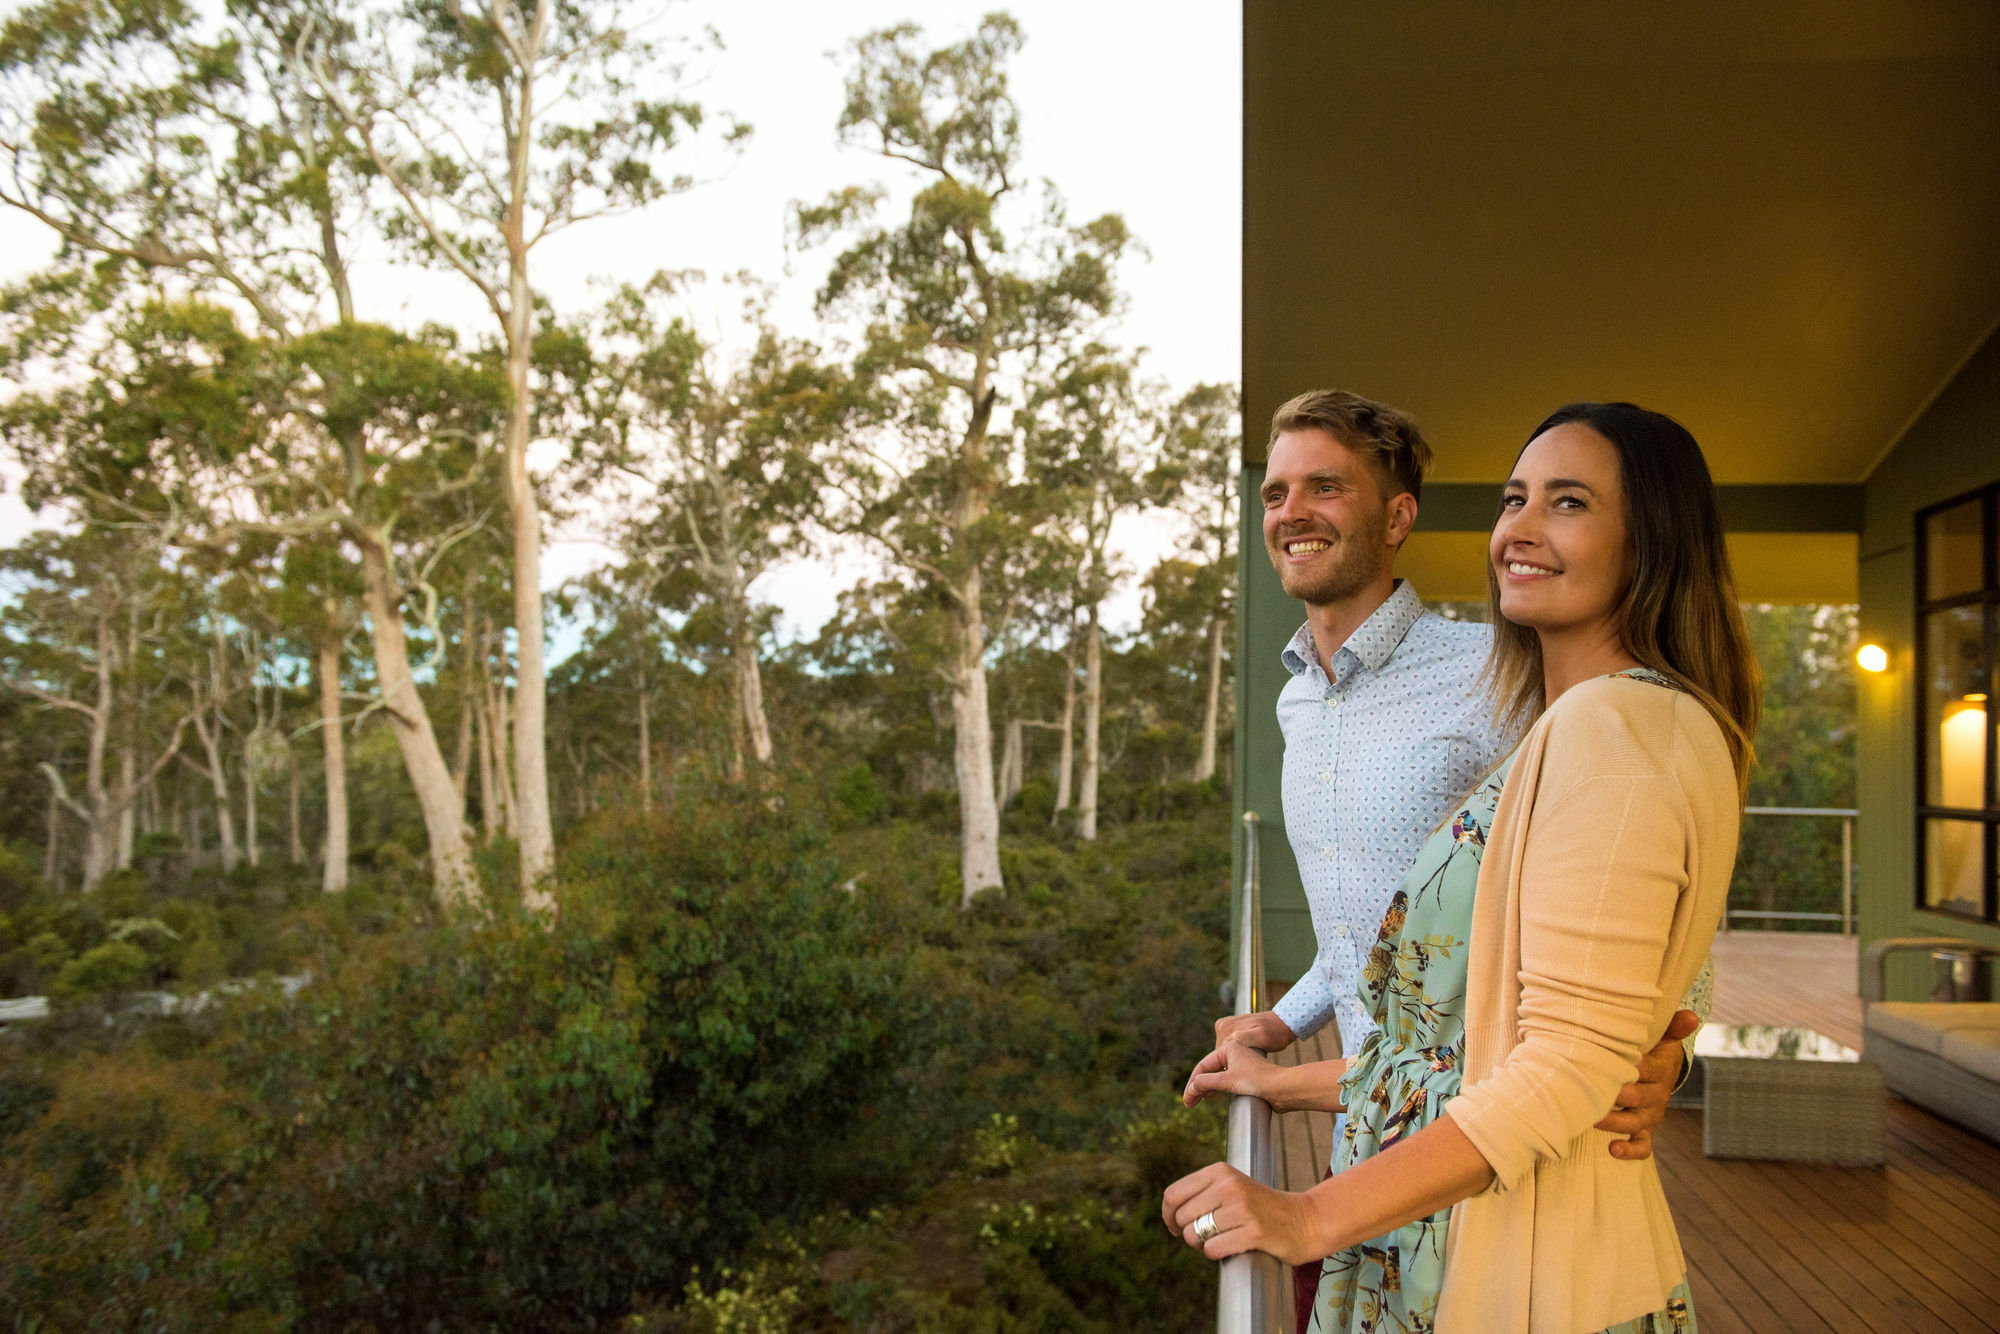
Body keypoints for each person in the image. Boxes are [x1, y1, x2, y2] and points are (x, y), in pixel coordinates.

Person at [1165, 401, 1759, 1334]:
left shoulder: (1543, 693)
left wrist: (1662, 1048)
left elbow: (1633, 951)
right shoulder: (1301, 702)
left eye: (1567, 503)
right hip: (1387, 1145)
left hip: (1497, 1191)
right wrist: (1278, 1036)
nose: (1521, 528)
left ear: (1398, 517)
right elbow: (1372, 932)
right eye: (1514, 500)